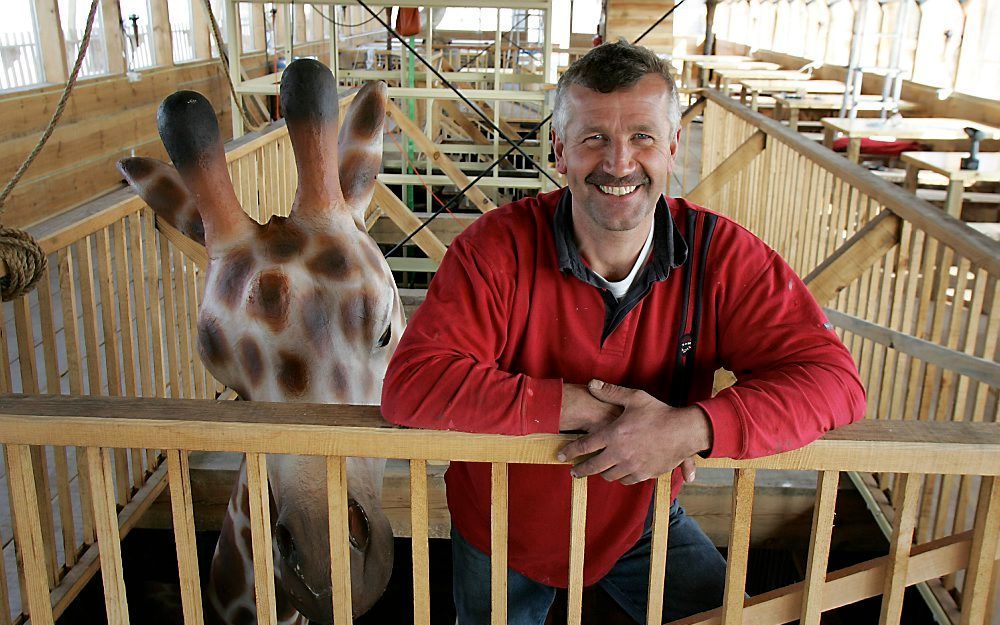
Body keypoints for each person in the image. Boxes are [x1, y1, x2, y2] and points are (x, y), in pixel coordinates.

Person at [380, 40, 866, 624]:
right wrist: (586, 408)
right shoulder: (494, 247)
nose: (618, 163)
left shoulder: (721, 254)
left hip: (642, 512)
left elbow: (835, 380)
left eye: (642, 136)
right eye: (593, 139)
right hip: (500, 522)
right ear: (559, 150)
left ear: (673, 148)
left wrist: (693, 427)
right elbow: (411, 386)